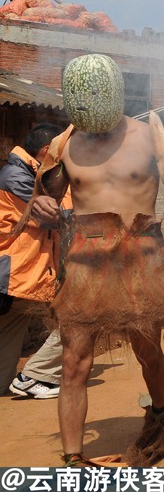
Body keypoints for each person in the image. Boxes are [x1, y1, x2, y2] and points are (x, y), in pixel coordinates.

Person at [25, 53, 164, 467]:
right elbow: (43, 194)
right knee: (75, 360)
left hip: (140, 258)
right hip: (86, 262)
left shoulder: (149, 134)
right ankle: (73, 457)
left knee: (148, 352)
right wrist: (41, 204)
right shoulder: (65, 142)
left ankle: (161, 416)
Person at [1, 123, 66, 400]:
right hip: (18, 271)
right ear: (45, 151)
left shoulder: (20, 172)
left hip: (21, 274)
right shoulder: (17, 177)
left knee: (10, 331)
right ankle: (36, 374)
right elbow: (55, 215)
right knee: (77, 320)